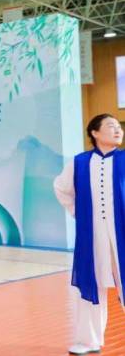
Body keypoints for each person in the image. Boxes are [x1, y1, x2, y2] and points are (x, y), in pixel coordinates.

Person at [54, 114, 124, 355]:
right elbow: (61, 188)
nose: (118, 130)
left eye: (119, 127)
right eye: (111, 126)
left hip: (122, 232)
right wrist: (78, 212)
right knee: (90, 284)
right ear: (95, 133)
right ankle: (88, 340)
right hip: (92, 234)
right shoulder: (79, 162)